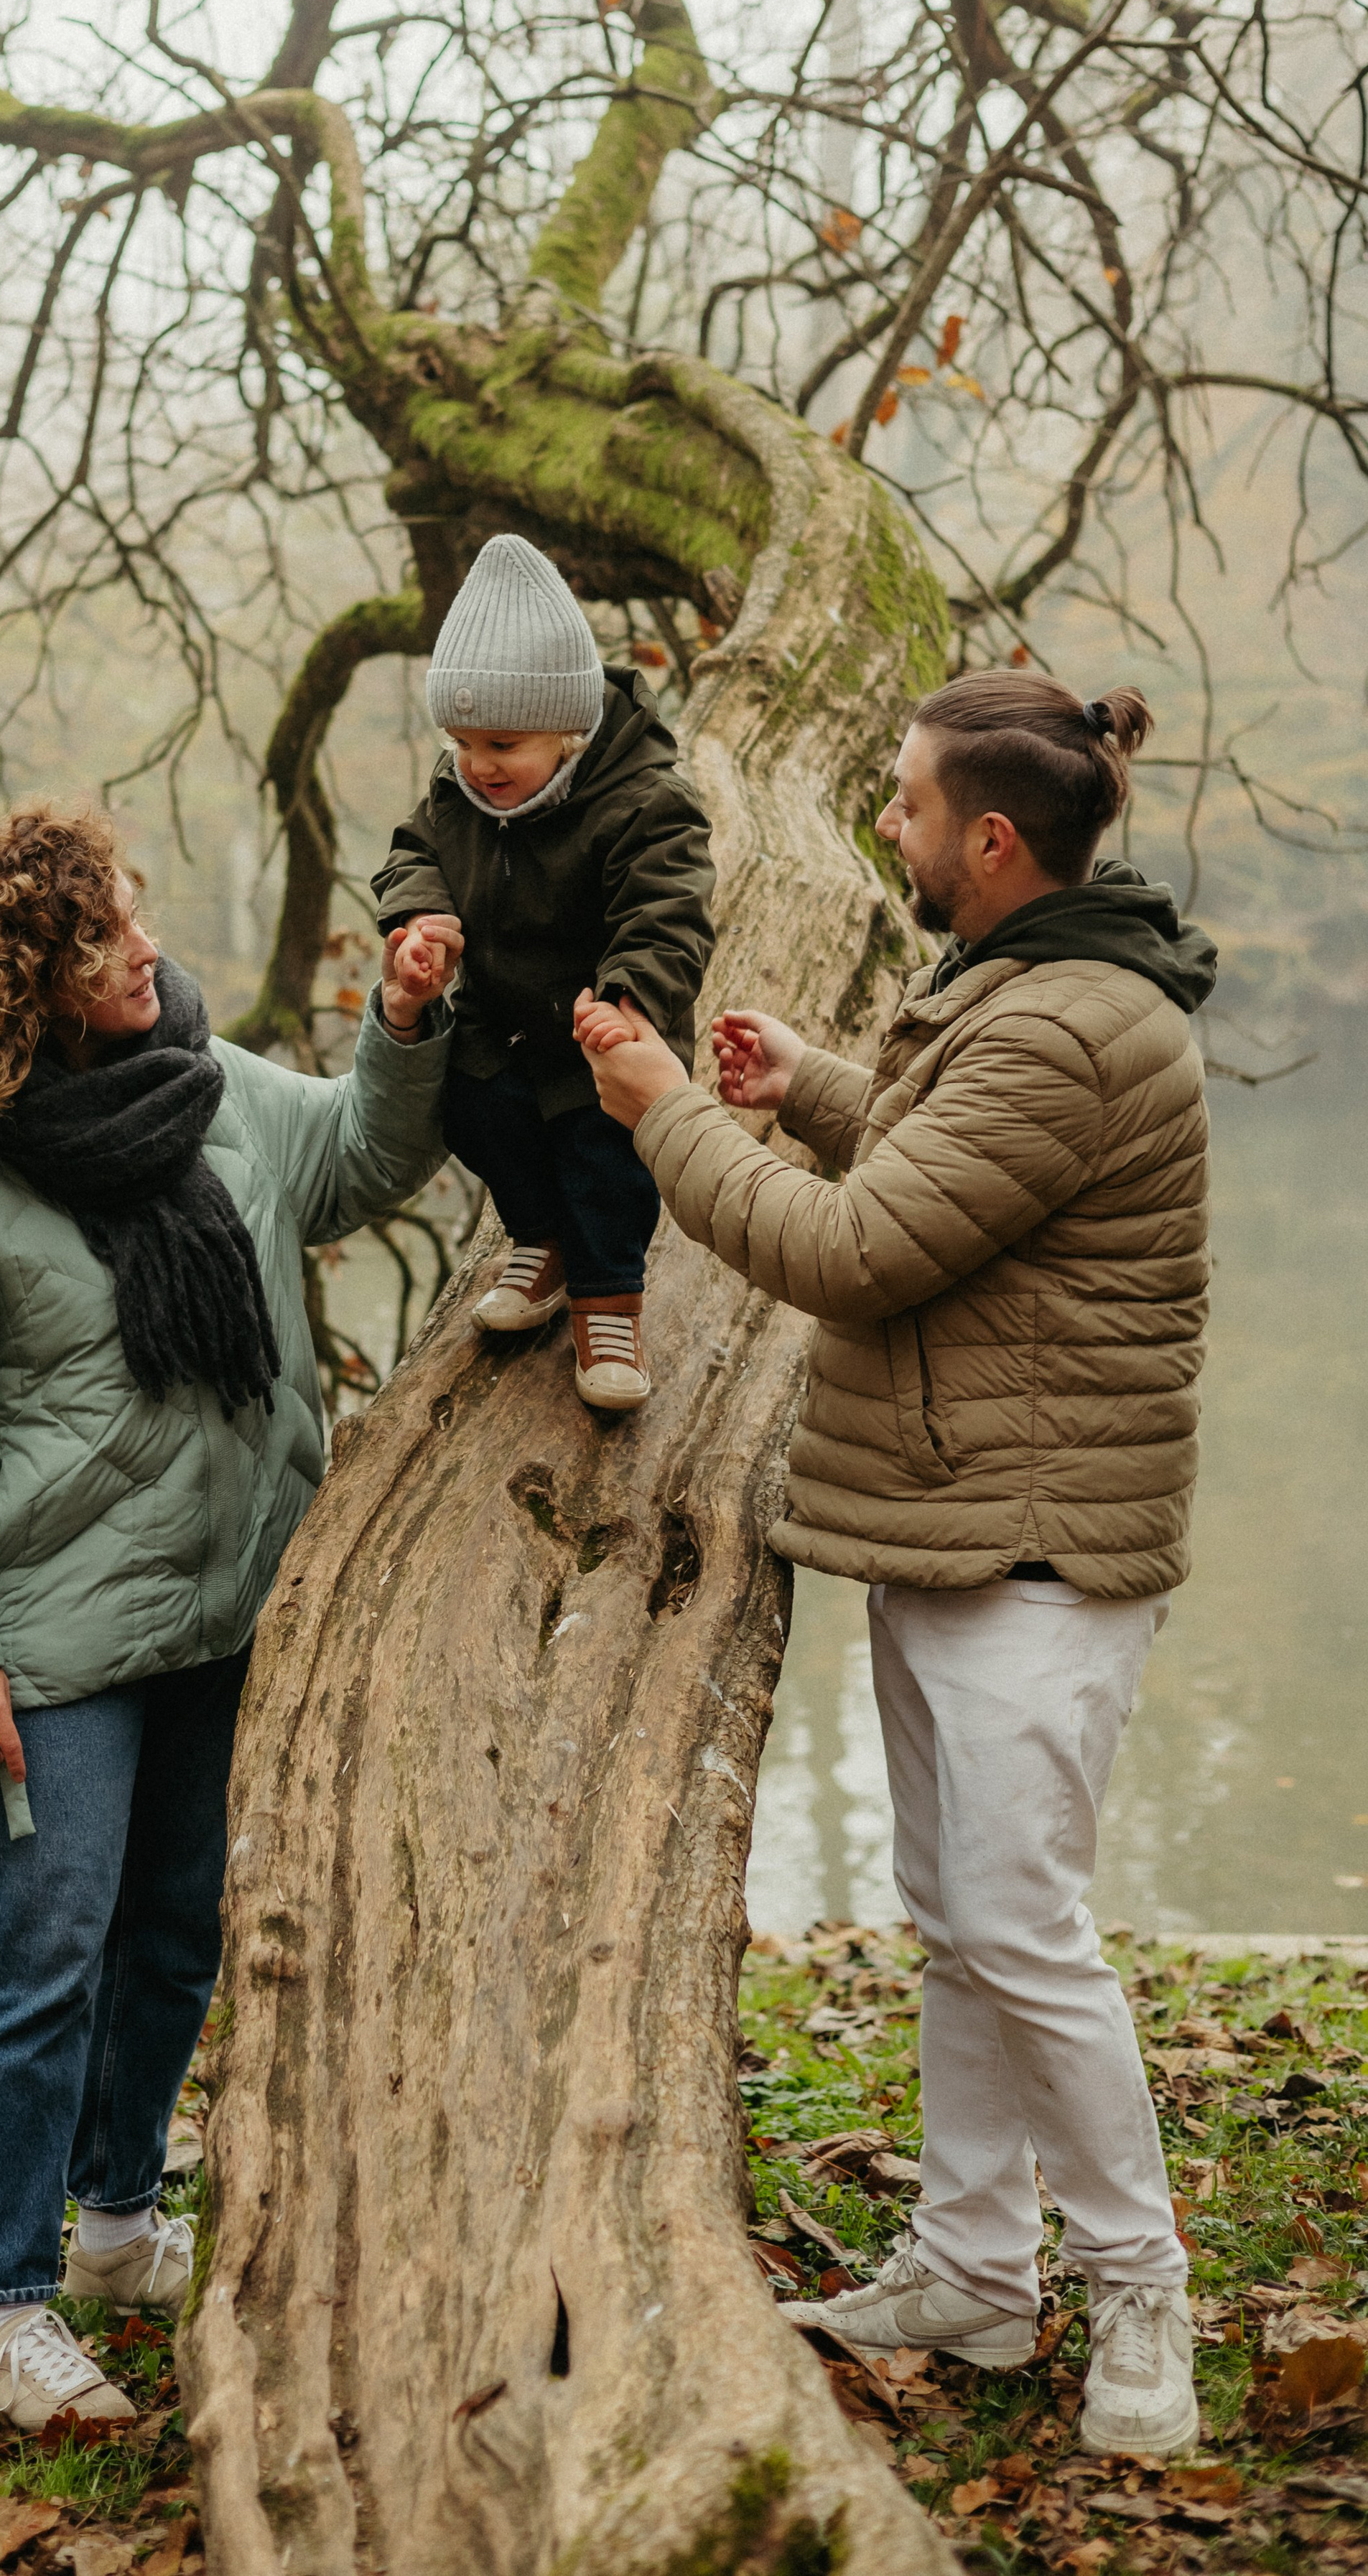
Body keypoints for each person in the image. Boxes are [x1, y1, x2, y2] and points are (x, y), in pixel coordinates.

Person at [574, 673, 1217, 2460]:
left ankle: (1137, 2286)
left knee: (1018, 1929)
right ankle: (970, 2266)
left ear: (989, 841)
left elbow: (858, 1254)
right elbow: (956, 1179)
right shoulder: (1038, 989)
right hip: (954, 1524)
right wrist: (814, 1085)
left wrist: (660, 1113)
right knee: (959, 1930)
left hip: (1031, 1550)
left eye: (909, 804)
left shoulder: (1063, 1023)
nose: (888, 826)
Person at [0, 805, 457, 2432]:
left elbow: (362, 1156)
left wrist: (396, 1026)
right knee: (40, 1955)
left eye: (134, 913)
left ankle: (115, 2225)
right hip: (41, 1646)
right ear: (35, 981)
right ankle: (0, 2302)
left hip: (225, 1606)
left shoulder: (207, 1081)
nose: (147, 946)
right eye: (107, 934)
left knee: (175, 1929)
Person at [373, 533, 715, 1412]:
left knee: (604, 1157)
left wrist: (632, 996)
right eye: (459, 741)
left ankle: (608, 1298)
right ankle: (541, 1239)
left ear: (569, 730)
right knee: (476, 1110)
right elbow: (414, 848)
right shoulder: (466, 789)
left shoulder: (644, 799)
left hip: (603, 1025)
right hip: (505, 1018)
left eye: (500, 742)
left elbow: (667, 908)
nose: (477, 764)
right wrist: (417, 917)